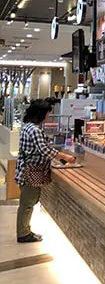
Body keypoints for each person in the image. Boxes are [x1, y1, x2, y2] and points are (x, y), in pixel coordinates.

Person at [15, 99, 75, 243]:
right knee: (27, 203)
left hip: (25, 170)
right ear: (41, 114)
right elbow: (45, 150)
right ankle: (23, 234)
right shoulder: (35, 130)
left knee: (27, 203)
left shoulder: (27, 126)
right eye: (47, 113)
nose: (48, 116)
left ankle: (25, 230)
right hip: (30, 172)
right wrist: (65, 156)